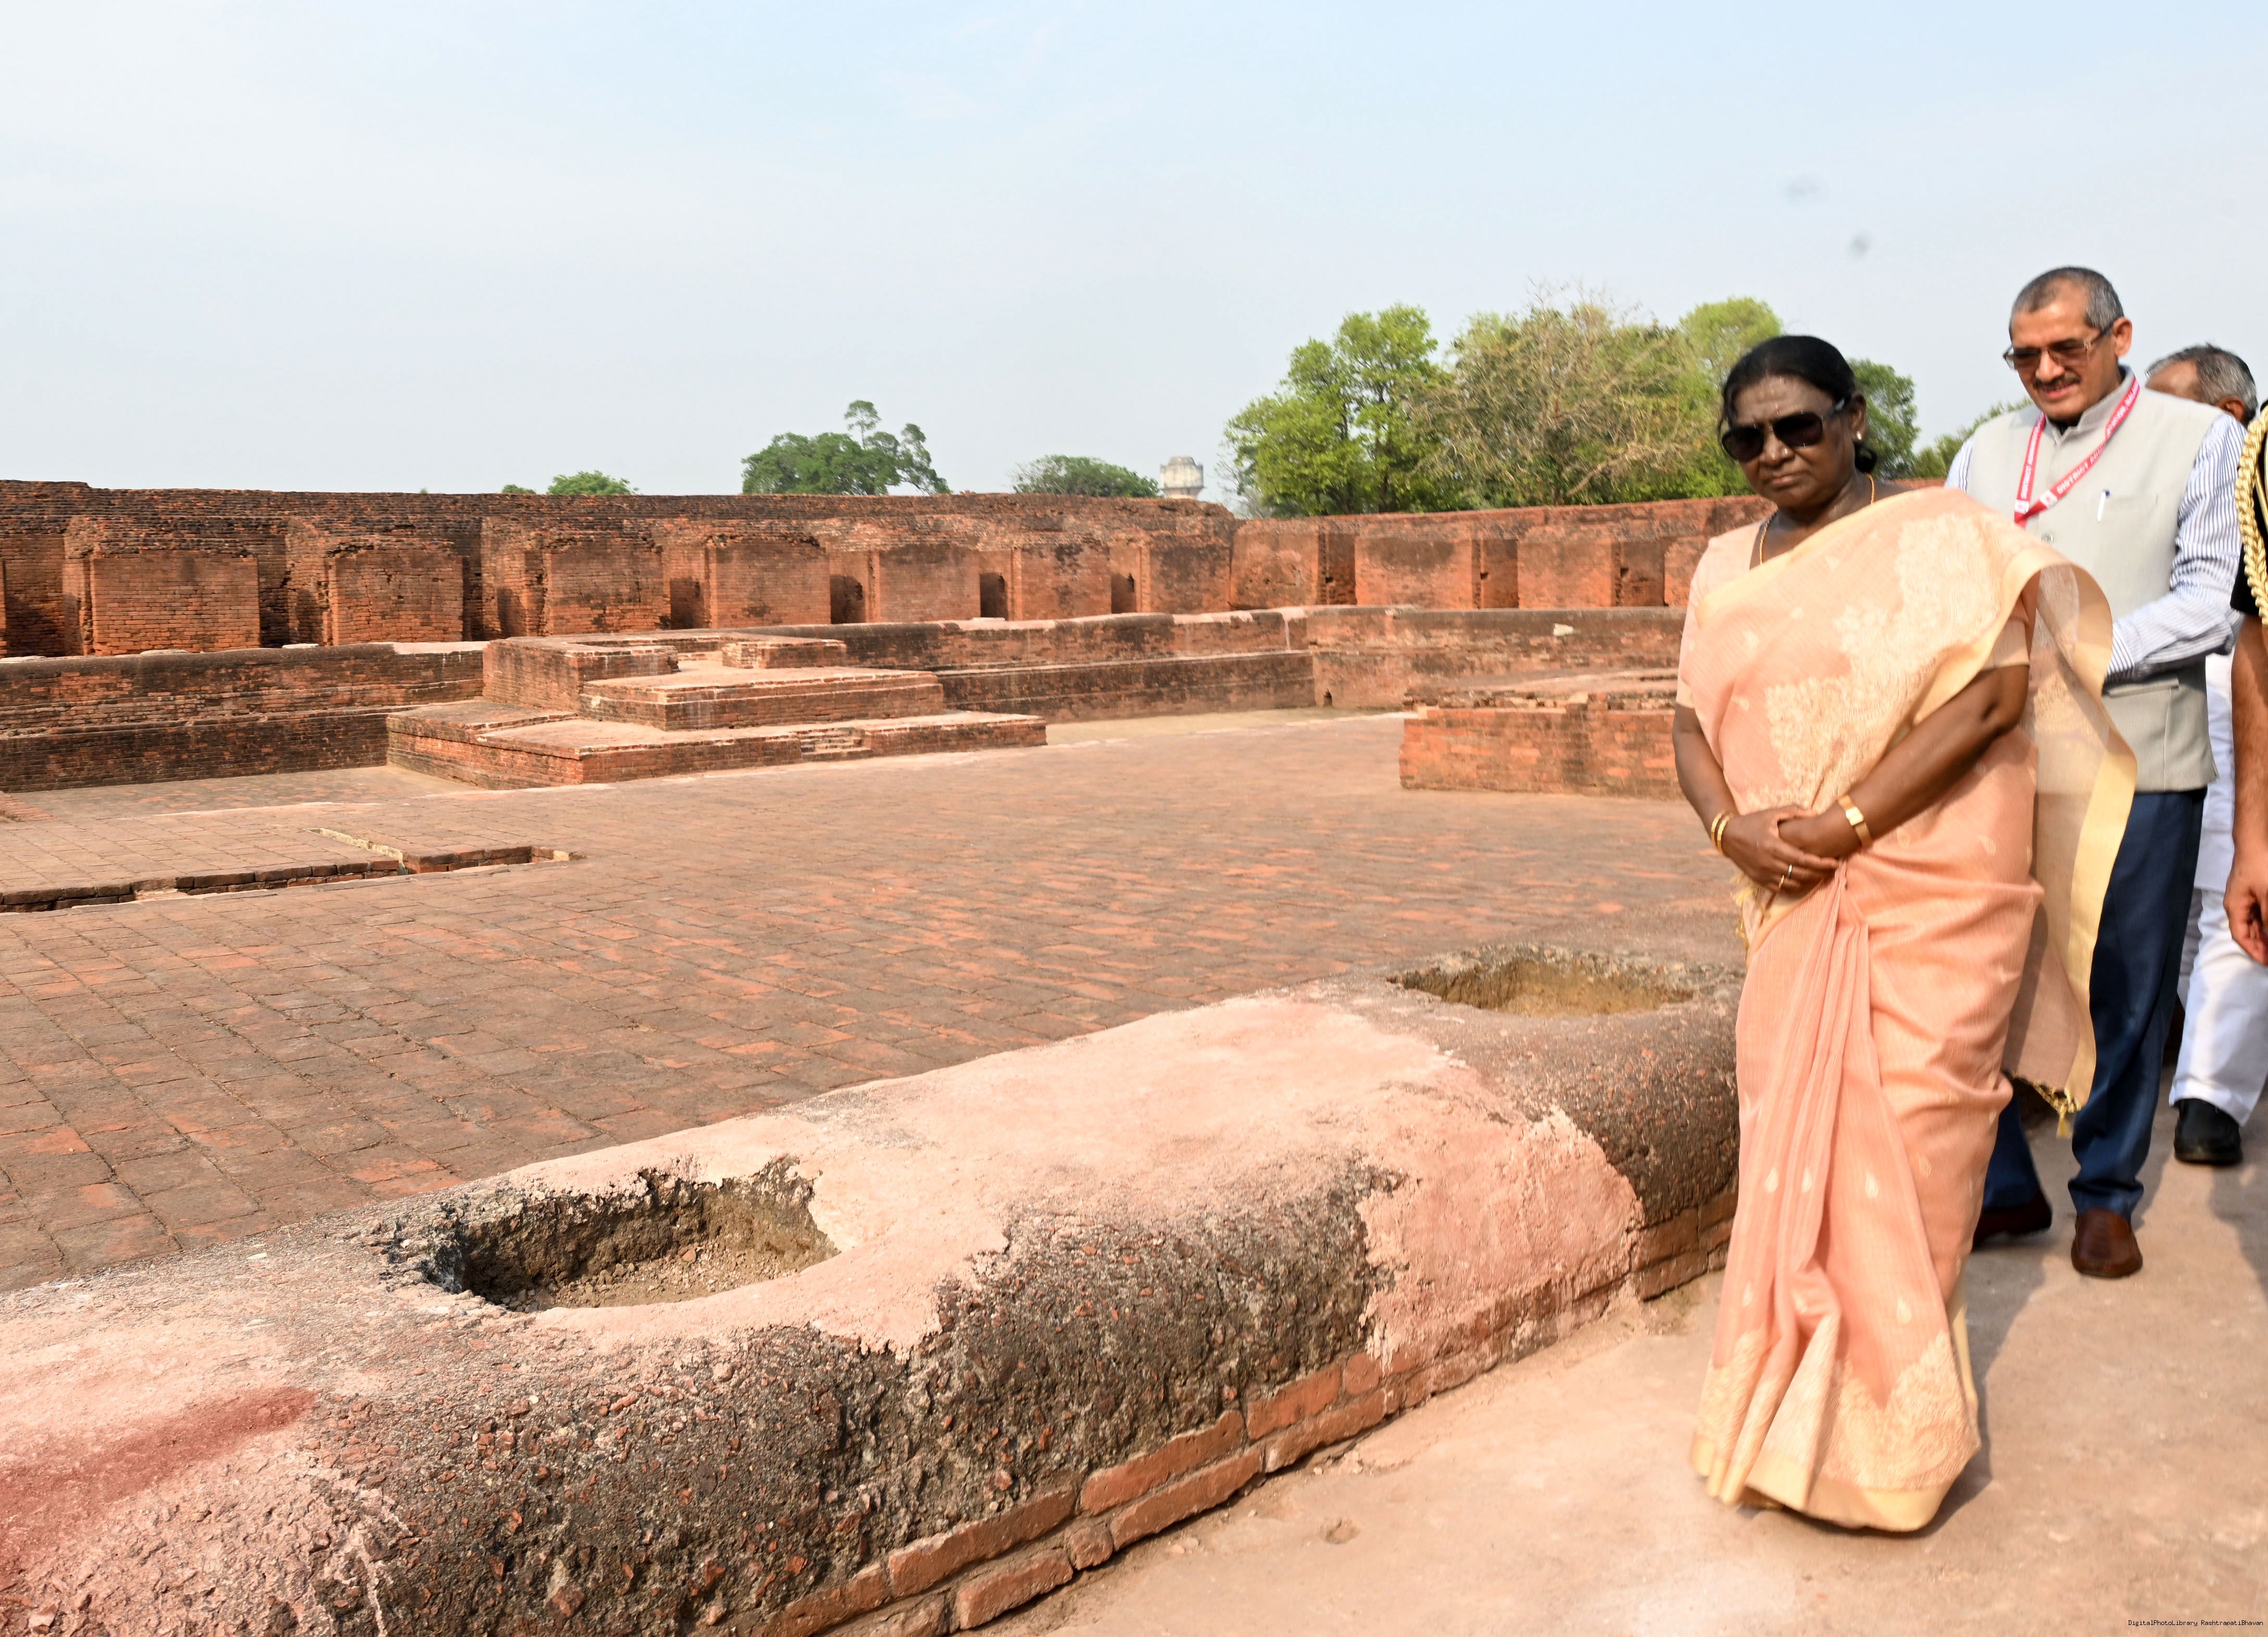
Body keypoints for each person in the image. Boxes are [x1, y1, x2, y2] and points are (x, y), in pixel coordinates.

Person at [1675, 334, 2129, 1530]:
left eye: (1798, 425)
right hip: (1791, 897)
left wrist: (1847, 822)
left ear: (1853, 417)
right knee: (1795, 1156)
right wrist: (1731, 828)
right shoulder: (1724, 565)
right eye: (1746, 437)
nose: (1773, 451)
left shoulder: (1938, 533)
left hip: (1933, 891)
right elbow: (1687, 724)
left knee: (1916, 1160)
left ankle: (1894, 1449)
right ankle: (1794, 1427)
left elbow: (1991, 698)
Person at [1949, 268, 2244, 1279]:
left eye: (2065, 349)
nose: (2044, 371)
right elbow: (1955, 581)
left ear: (2118, 337)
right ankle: (2002, 1181)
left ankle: (2107, 1191)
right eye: (2024, 355)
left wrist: (2076, 650)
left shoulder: (2196, 438)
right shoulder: (1986, 451)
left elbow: (2212, 599)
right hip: (2005, 755)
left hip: (2141, 754)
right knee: (1979, 972)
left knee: (2126, 982)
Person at [2144, 346, 2259, 1167]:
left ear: (2225, 417)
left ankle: (2211, 1095)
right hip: (2159, 689)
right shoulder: (2164, 483)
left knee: (2234, 882)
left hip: (2235, 682)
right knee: (2179, 890)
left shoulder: (2251, 483)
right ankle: (2200, 1054)